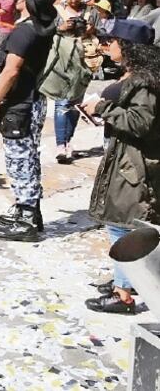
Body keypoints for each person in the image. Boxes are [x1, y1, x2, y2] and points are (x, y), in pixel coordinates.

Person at [78, 21, 159, 314]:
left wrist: (103, 109)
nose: (106, 46)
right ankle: (125, 280)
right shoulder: (139, 76)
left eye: (112, 41)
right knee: (122, 222)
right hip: (128, 159)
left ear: (128, 47)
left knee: (122, 225)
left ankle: (123, 294)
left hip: (134, 164)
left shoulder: (145, 83)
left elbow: (140, 123)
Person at [0, 0, 58, 241]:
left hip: (20, 105)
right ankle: (30, 209)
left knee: (19, 160)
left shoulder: (24, 33)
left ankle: (25, 219)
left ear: (27, 2)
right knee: (30, 156)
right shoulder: (46, 19)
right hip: (34, 101)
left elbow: (11, 71)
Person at [48, 0, 95, 164]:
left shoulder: (90, 11)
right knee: (62, 103)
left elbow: (102, 32)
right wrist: (60, 28)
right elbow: (45, 32)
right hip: (62, 62)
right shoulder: (56, 12)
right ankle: (60, 145)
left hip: (83, 64)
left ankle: (68, 141)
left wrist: (91, 29)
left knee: (76, 104)